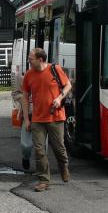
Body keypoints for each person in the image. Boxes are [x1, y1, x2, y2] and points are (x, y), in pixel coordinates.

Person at [21, 48, 72, 192]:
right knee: (39, 150)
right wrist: (26, 119)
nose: (29, 61)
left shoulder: (55, 69)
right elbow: (25, 97)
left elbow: (68, 85)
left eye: (31, 58)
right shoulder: (29, 75)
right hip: (38, 118)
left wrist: (59, 98)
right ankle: (43, 180)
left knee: (59, 149)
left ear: (40, 59)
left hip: (55, 117)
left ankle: (64, 167)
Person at [11, 68, 33, 170]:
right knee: (26, 145)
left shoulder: (47, 75)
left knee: (42, 146)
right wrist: (25, 99)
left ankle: (43, 170)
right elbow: (16, 94)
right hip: (28, 114)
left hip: (42, 116)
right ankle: (26, 157)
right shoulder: (23, 77)